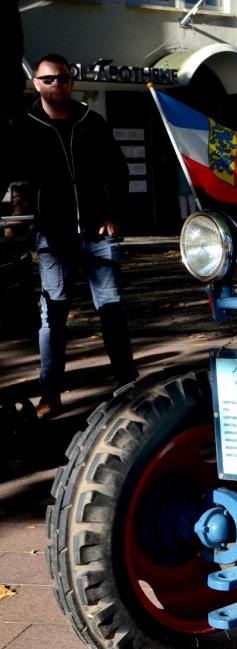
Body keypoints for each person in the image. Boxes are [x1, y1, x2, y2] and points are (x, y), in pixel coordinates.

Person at [0, 54, 136, 418]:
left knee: (111, 310)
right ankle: (50, 394)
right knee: (52, 316)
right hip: (53, 236)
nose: (55, 85)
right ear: (37, 84)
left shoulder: (93, 122)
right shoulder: (25, 127)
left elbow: (119, 171)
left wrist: (115, 215)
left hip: (97, 232)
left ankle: (127, 384)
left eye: (61, 78)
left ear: (72, 81)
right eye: (47, 80)